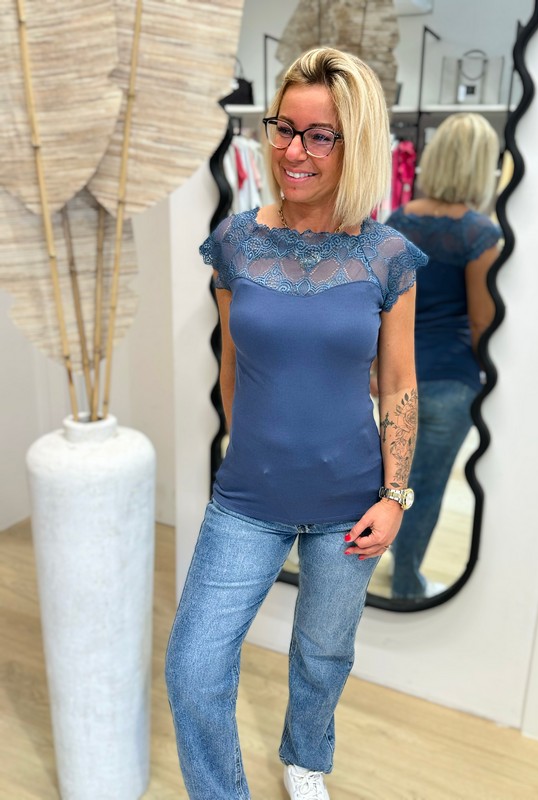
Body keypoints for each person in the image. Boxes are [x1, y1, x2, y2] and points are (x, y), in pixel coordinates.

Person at [165, 47, 427, 800]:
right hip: (247, 500)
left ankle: (306, 758)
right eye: (284, 128)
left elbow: (399, 384)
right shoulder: (235, 243)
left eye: (319, 136)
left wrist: (395, 496)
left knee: (322, 654)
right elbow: (232, 369)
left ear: (356, 144)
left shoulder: (387, 256)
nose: (293, 152)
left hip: (351, 502)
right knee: (192, 669)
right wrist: (249, 453)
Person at [384, 112, 502, 600]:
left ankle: (385, 564)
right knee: (426, 489)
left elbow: (384, 306)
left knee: (391, 483)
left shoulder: (399, 220)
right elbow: (481, 323)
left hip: (398, 376)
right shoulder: (480, 235)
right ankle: (406, 583)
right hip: (451, 381)